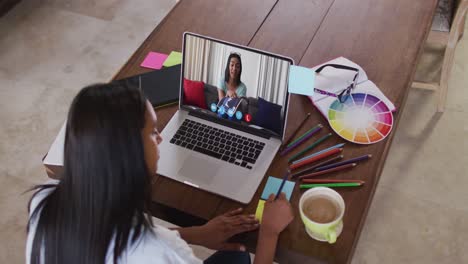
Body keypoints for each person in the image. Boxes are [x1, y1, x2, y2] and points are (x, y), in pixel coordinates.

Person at [27, 81, 293, 264]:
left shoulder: (44, 202)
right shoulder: (160, 253)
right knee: (241, 255)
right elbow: (152, 249)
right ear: (131, 156)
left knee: (235, 257)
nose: (161, 139)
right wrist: (269, 233)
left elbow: (116, 243)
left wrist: (196, 234)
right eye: (153, 132)